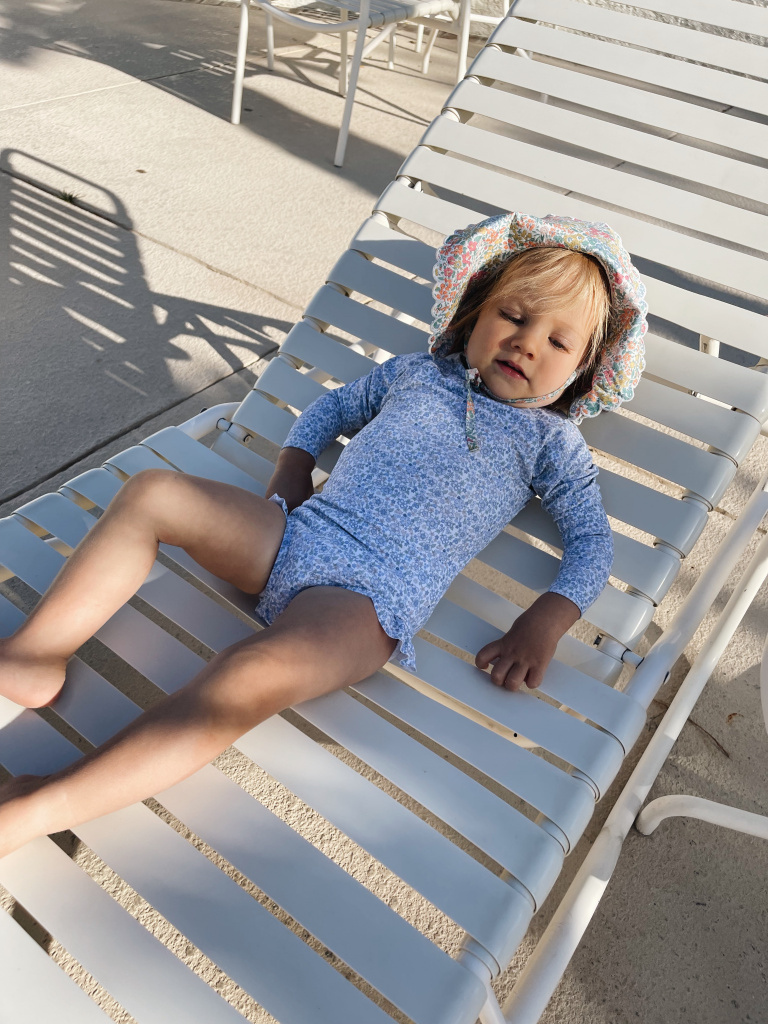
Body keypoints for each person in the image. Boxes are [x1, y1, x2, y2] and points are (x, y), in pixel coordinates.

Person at [0, 212, 647, 859]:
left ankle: (40, 804)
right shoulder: (417, 373)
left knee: (246, 676)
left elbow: (592, 542)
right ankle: (33, 656)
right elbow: (330, 409)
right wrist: (292, 469)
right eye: (514, 316)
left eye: (558, 342)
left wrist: (545, 620)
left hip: (366, 603)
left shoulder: (552, 443)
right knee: (153, 493)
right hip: (294, 535)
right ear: (476, 310)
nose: (526, 344)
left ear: (583, 371)